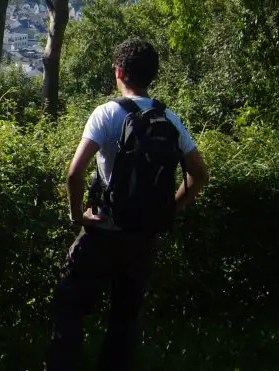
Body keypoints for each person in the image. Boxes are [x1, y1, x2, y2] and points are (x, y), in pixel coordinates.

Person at [45, 38, 209, 371]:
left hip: (103, 232)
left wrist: (79, 216)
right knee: (125, 319)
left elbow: (74, 175)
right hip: (143, 239)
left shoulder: (107, 113)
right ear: (152, 75)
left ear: (119, 72)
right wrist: (170, 208)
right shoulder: (171, 120)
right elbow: (199, 175)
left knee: (69, 307)